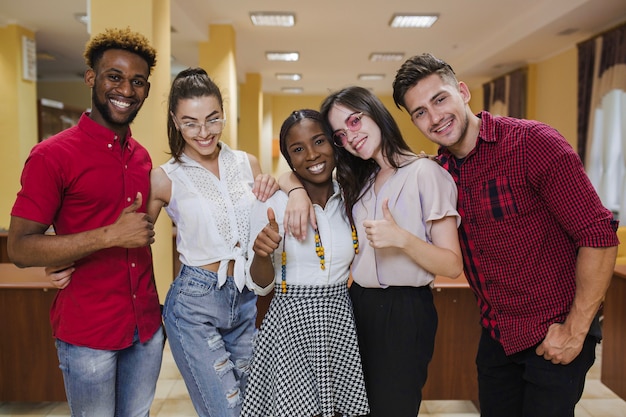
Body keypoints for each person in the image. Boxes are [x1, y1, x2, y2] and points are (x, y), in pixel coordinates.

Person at [391, 52, 619, 417]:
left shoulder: (532, 143)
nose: (434, 118)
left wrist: (576, 330)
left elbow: (599, 234)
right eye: (419, 112)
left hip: (554, 331)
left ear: (462, 91)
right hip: (497, 336)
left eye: (440, 99)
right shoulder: (439, 173)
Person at [8, 28, 164, 417]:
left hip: (144, 326)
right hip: (88, 331)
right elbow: (21, 247)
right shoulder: (52, 156)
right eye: (115, 76)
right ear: (91, 77)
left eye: (138, 82)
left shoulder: (143, 158)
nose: (126, 90)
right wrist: (111, 234)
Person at [281, 87, 463, 416]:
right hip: (356, 306)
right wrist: (293, 189)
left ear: (374, 113)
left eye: (354, 121)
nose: (350, 137)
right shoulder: (359, 180)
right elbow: (298, 170)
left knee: (392, 408)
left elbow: (451, 265)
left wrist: (402, 239)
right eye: (339, 135)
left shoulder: (426, 173)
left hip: (404, 311)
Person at [148, 67, 277, 417]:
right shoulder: (163, 178)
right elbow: (132, 238)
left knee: (255, 408)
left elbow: (265, 216)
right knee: (226, 411)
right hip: (194, 304)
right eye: (190, 122)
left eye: (212, 119)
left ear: (223, 114)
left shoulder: (247, 163)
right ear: (175, 121)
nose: (203, 132)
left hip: (245, 297)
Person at [241, 109, 370, 417]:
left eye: (319, 141)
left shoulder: (353, 198)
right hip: (289, 324)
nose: (312, 155)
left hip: (340, 319)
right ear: (288, 158)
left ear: (334, 144)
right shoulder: (271, 203)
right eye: (298, 149)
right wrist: (261, 254)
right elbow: (260, 286)